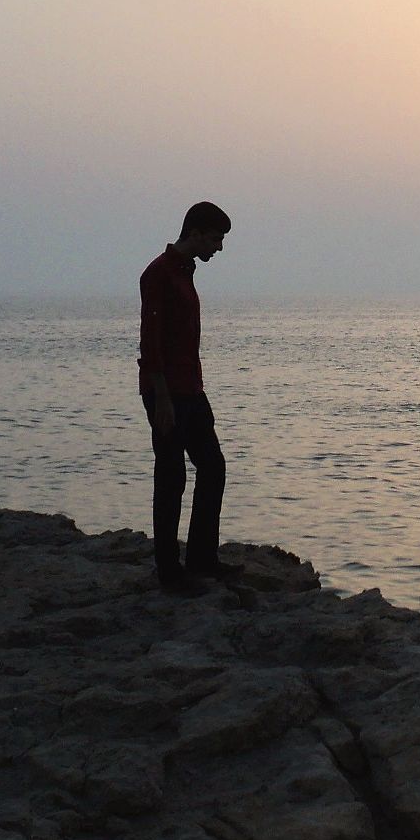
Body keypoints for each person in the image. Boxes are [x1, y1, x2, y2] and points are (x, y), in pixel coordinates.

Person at [139, 201, 240, 595]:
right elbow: (151, 343)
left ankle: (201, 558)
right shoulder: (158, 274)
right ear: (195, 233)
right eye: (215, 239)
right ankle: (169, 570)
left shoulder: (185, 271)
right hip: (165, 391)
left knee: (212, 467)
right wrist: (161, 398)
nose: (219, 247)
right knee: (171, 476)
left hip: (191, 389)